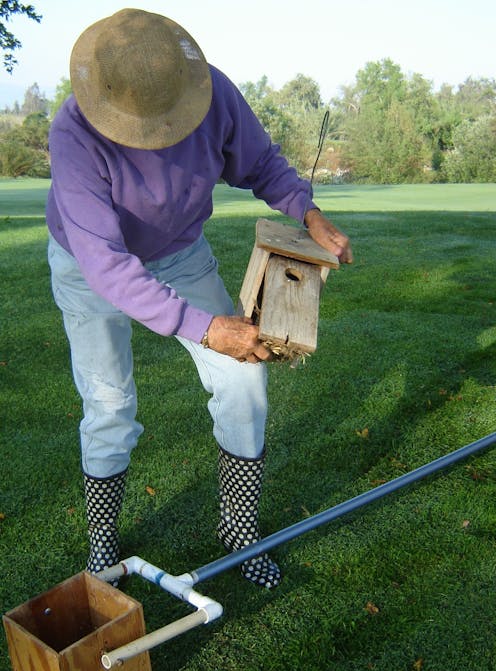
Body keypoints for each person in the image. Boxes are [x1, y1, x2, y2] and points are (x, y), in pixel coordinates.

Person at [46, 8, 352, 590]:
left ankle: (240, 533)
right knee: (110, 407)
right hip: (89, 270)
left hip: (182, 253)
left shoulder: (214, 93)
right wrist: (208, 328)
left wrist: (307, 212)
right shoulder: (72, 133)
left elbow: (262, 163)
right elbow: (108, 267)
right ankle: (104, 552)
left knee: (244, 379)